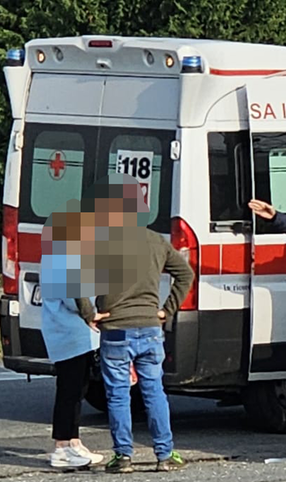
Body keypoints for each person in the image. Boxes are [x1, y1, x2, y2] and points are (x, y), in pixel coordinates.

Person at [80, 173, 195, 473]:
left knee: (118, 393)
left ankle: (124, 456)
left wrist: (89, 312)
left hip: (115, 328)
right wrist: (167, 309)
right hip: (150, 326)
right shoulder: (156, 241)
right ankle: (165, 454)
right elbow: (185, 274)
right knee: (153, 390)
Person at [39, 204, 106, 469]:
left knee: (76, 390)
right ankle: (62, 447)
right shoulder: (64, 258)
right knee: (70, 392)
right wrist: (93, 313)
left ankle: (73, 442)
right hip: (72, 335)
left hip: (67, 334)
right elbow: (74, 298)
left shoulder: (55, 256)